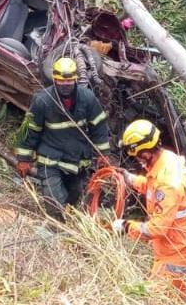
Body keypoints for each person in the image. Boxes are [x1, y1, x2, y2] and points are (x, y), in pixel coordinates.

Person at [110, 119, 186, 298]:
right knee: (171, 284)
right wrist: (130, 179)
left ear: (145, 153)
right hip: (174, 238)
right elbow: (153, 186)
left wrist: (126, 226)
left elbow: (157, 229)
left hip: (179, 243)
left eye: (137, 156)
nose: (138, 160)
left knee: (158, 296)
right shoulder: (164, 160)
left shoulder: (168, 183)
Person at [15, 57, 113, 218]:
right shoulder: (43, 100)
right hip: (50, 161)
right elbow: (30, 130)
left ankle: (67, 227)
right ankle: (57, 232)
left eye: (69, 82)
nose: (65, 86)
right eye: (61, 82)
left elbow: (99, 126)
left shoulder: (87, 98)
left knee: (72, 200)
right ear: (54, 80)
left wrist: (103, 154)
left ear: (75, 80)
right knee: (55, 204)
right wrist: (24, 159)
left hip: (77, 162)